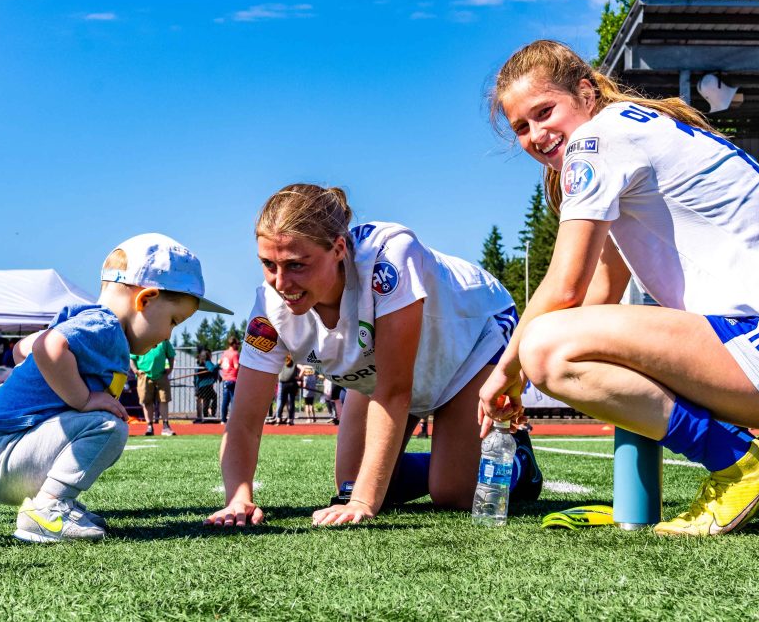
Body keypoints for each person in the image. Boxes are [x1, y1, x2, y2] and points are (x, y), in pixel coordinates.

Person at [479, 40, 759, 537]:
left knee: (546, 349)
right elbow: (597, 295)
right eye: (521, 127)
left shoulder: (598, 139)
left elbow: (564, 289)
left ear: (584, 93)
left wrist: (505, 373)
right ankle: (639, 499)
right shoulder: (630, 131)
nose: (536, 134)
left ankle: (741, 465)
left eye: (544, 111)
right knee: (565, 343)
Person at [206, 184, 542, 529]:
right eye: (268, 264)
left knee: (452, 493)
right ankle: (451, 458)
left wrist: (365, 502)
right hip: (387, 372)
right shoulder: (270, 307)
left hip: (474, 340)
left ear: (338, 248)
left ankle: (519, 463)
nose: (281, 282)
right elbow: (244, 419)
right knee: (351, 484)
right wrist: (238, 497)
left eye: (296, 265)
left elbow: (395, 389)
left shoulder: (390, 256)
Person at [0, 233, 230, 543]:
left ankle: (56, 502)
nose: (169, 335)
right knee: (108, 425)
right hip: (3, 453)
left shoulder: (88, 320)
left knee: (103, 422)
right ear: (145, 299)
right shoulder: (105, 327)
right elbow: (49, 346)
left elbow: (20, 350)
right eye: (173, 321)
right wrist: (84, 398)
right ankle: (48, 509)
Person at [131, 339, 176, 436]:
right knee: (146, 401)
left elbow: (171, 355)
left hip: (161, 375)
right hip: (144, 376)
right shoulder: (139, 341)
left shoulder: (164, 341)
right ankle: (149, 426)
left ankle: (165, 426)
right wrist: (136, 370)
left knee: (164, 400)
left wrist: (170, 368)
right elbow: (132, 358)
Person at [218, 337, 241, 423]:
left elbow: (220, 362)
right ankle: (235, 419)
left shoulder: (225, 353)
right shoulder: (235, 354)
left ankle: (223, 419)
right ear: (234, 344)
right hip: (233, 379)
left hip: (226, 379)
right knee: (234, 400)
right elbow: (236, 366)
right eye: (237, 344)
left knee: (225, 401)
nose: (238, 346)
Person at [194, 347, 219, 422]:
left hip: (201, 385)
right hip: (205, 385)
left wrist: (218, 376)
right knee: (209, 399)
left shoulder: (201, 362)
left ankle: (206, 416)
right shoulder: (207, 362)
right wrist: (218, 364)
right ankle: (207, 416)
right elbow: (212, 369)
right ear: (208, 355)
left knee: (208, 399)